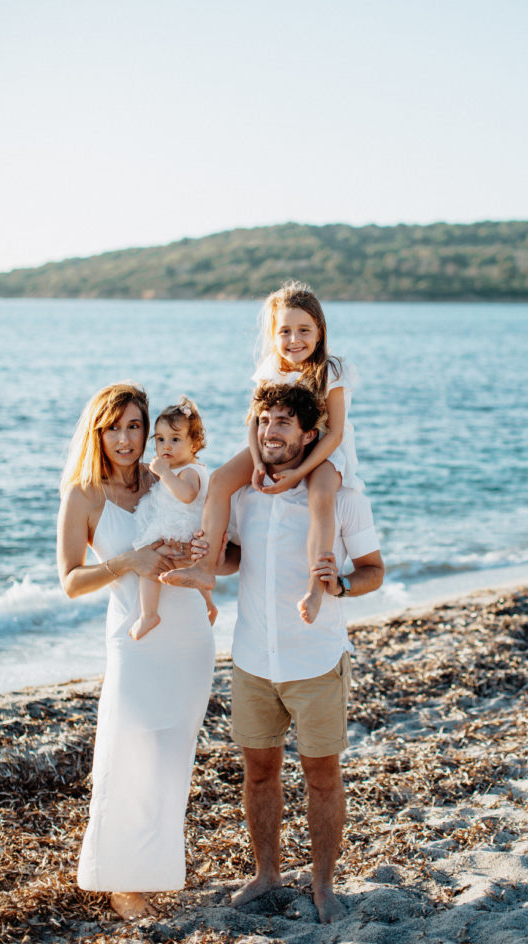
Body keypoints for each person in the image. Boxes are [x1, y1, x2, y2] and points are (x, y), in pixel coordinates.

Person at [165, 381, 384, 923]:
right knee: (259, 770)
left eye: (283, 423)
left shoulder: (344, 499)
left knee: (322, 776)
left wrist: (342, 587)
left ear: (311, 435)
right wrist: (197, 557)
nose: (270, 432)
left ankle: (324, 886)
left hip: (316, 660)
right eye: (265, 422)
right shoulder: (241, 495)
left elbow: (375, 571)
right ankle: (266, 874)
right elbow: (234, 557)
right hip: (252, 660)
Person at [57, 382, 215, 921]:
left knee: (172, 758)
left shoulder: (164, 476)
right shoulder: (84, 493)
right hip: (135, 637)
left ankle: (153, 871)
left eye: (134, 427)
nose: (125, 439)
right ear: (97, 431)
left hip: (189, 633)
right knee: (126, 754)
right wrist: (130, 562)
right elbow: (71, 581)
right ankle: (119, 880)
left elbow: (217, 541)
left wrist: (203, 554)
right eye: (113, 427)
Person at [195, 280, 362, 626]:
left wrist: (299, 474)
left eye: (304, 330)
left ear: (319, 332)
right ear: (273, 334)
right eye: (284, 331)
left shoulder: (332, 371)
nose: (294, 340)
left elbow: (336, 434)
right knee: (221, 480)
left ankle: (317, 585)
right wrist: (257, 462)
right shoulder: (271, 370)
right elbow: (254, 422)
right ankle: (204, 568)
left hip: (324, 450)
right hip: (273, 446)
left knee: (320, 497)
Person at [130, 396, 216, 640]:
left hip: (183, 529)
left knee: (149, 565)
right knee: (189, 569)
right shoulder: (178, 469)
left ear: (195, 443)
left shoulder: (190, 472)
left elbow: (187, 495)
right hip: (178, 528)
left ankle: (149, 614)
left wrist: (165, 474)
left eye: (175, 440)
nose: (166, 446)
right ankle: (209, 605)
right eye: (160, 440)